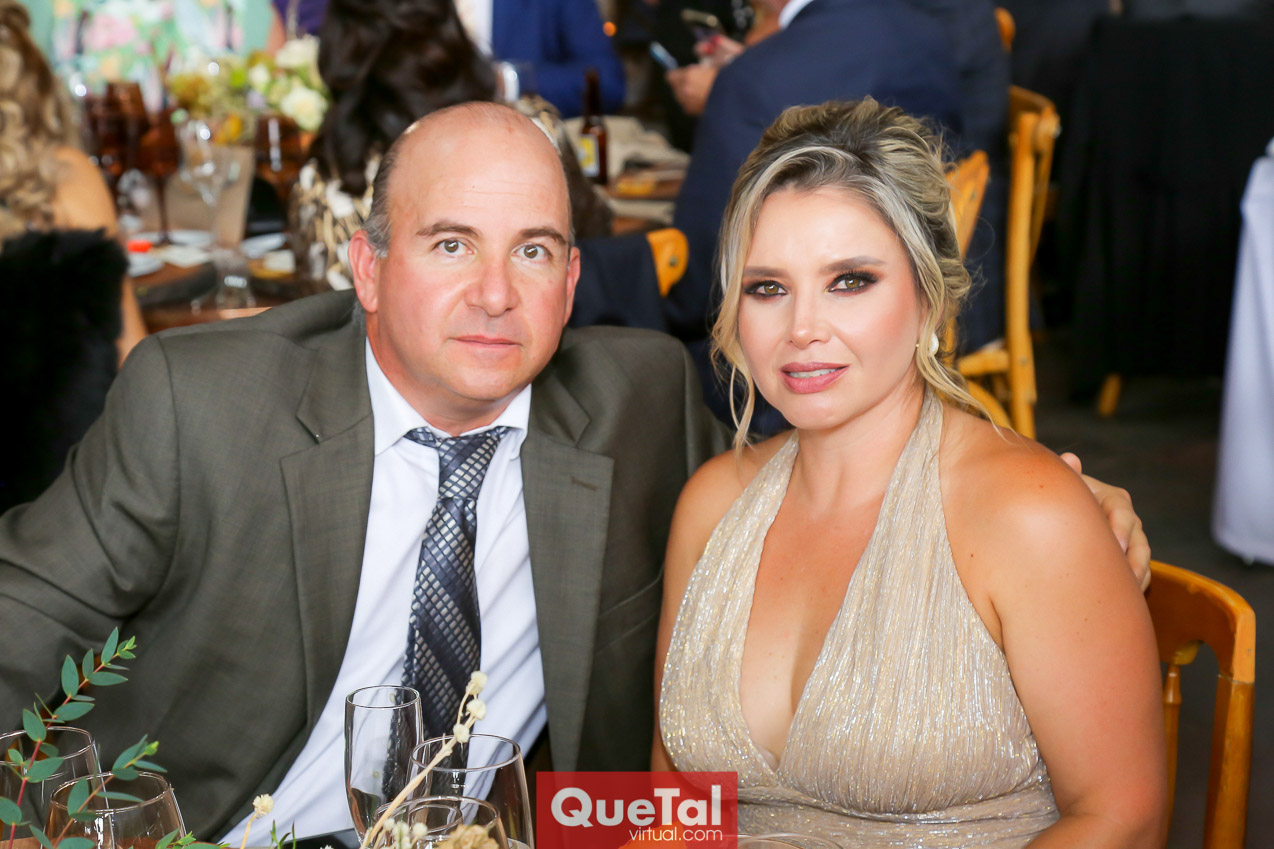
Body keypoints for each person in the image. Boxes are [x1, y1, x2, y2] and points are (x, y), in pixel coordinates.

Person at [0, 101, 1149, 845]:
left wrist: (1057, 504)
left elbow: (881, 479)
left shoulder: (638, 406)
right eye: (451, 244)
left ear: (570, 283)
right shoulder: (201, 405)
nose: (494, 295)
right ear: (368, 266)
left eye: (534, 251)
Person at [653, 99, 1166, 847]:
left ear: (930, 297)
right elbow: (670, 803)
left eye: (849, 280)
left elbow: (1126, 818)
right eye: (768, 287)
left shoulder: (1028, 515)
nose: (802, 329)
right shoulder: (710, 504)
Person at [292, 0, 611, 291]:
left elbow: (322, 312)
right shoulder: (535, 130)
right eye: (451, 246)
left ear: (339, 52)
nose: (493, 295)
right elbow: (593, 227)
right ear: (452, 32)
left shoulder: (325, 182)